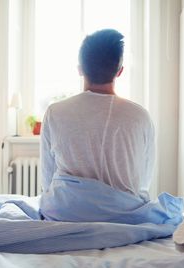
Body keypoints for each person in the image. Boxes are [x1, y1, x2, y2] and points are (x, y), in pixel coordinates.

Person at [39, 29, 156, 222]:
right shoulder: (140, 116)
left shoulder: (55, 112)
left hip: (67, 213)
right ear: (119, 71)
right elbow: (143, 182)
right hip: (123, 216)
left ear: (80, 69)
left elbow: (47, 179)